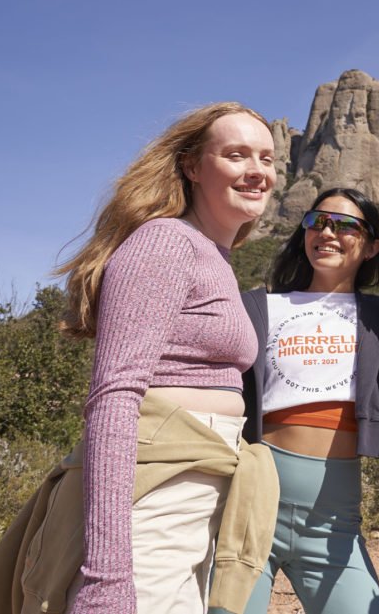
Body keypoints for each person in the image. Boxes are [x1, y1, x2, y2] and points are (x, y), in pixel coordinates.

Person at [28, 102, 277, 614]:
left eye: (268, 158)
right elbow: (115, 399)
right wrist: (107, 575)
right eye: (235, 155)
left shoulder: (213, 257)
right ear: (191, 166)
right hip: (153, 499)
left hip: (189, 496)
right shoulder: (165, 242)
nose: (257, 171)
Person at [237, 187, 379, 614]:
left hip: (334, 520)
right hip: (250, 503)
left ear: (372, 245)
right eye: (317, 221)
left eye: (345, 225)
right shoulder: (258, 305)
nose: (326, 231)